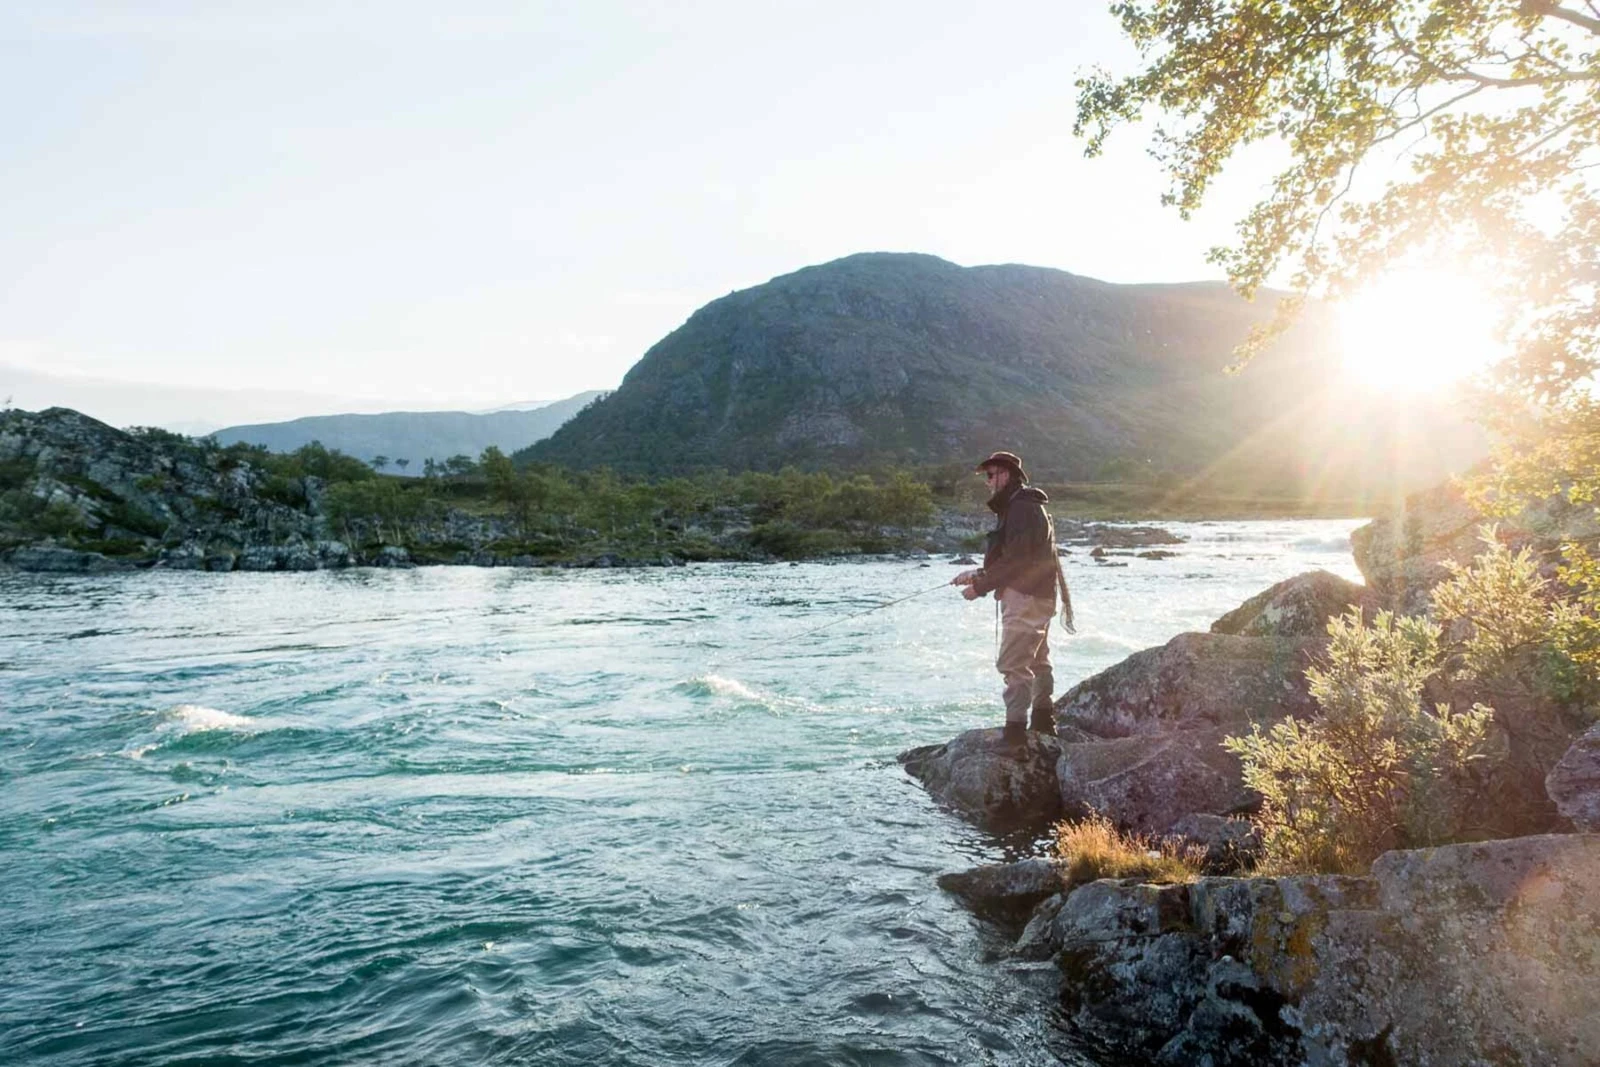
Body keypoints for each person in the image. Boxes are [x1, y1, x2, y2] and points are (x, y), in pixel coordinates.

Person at [951, 451, 1072, 745]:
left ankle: (1015, 736)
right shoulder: (1026, 507)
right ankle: (1044, 722)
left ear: (1005, 475)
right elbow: (1020, 557)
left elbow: (1017, 561)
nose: (988, 483)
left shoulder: (1020, 508)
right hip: (1040, 595)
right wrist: (978, 574)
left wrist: (979, 588)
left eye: (990, 476)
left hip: (1026, 597)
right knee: (1038, 659)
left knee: (1013, 663)